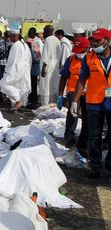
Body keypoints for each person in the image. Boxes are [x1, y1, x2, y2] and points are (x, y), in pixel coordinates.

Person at [72, 28, 111, 178]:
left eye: (98, 40)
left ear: (107, 40)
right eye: (93, 40)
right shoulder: (89, 58)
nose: (94, 43)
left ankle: (109, 162)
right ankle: (95, 165)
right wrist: (75, 100)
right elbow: (81, 79)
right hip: (94, 103)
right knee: (94, 136)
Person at [58, 37, 90, 147]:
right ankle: (69, 136)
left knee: (87, 115)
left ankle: (84, 139)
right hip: (72, 90)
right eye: (76, 50)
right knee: (73, 110)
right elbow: (63, 77)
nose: (78, 53)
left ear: (87, 48)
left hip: (89, 91)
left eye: (80, 50)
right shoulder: (71, 59)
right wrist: (60, 95)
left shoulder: (93, 60)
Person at [0, 29, 32, 111]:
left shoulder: (17, 45)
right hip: (21, 69)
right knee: (17, 86)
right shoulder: (22, 44)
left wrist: (7, 71)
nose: (9, 38)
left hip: (15, 69)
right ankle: (17, 104)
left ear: (15, 36)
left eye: (10, 36)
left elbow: (12, 61)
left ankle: (18, 101)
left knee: (4, 84)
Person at [39, 25, 61, 105]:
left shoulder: (47, 40)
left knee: (46, 87)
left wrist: (43, 69)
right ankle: (52, 105)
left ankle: (45, 106)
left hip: (48, 66)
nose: (44, 33)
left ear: (48, 31)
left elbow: (46, 56)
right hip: (55, 67)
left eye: (45, 31)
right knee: (53, 87)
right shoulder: (57, 40)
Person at [26, 27, 42, 108]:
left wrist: (31, 49)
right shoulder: (28, 40)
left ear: (34, 33)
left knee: (34, 84)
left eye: (31, 33)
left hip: (35, 65)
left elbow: (39, 53)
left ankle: (34, 101)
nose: (29, 35)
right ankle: (30, 100)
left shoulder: (38, 41)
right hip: (30, 64)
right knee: (30, 84)